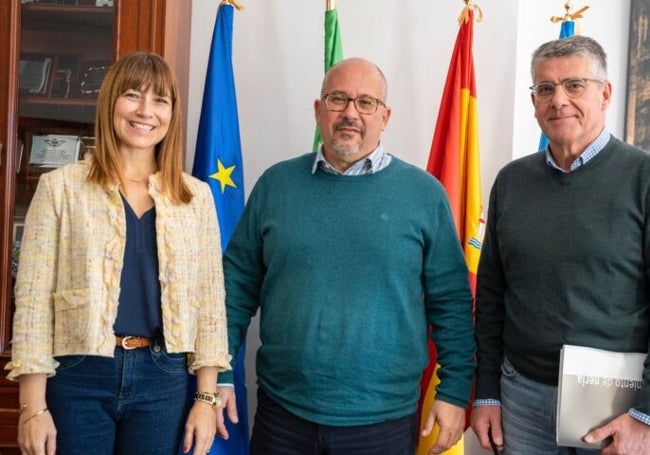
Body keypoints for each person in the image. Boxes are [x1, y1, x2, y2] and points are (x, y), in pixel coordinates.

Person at [217, 57, 475, 454]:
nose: (351, 113)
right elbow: (234, 289)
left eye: (366, 102)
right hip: (283, 415)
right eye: (339, 99)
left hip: (383, 423)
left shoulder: (423, 194)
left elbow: (452, 303)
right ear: (318, 110)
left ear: (384, 116)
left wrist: (455, 392)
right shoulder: (276, 185)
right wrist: (217, 375)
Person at [5, 52, 231, 455]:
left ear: (172, 112)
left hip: (164, 377)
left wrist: (206, 398)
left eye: (160, 100)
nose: (146, 111)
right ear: (111, 102)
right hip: (77, 373)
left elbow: (211, 304)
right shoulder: (61, 188)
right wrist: (32, 407)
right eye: (132, 95)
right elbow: (34, 302)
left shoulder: (195, 197)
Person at [471, 35, 650, 454]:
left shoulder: (643, 177)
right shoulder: (511, 181)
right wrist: (486, 392)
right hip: (522, 398)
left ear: (605, 94)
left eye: (574, 85)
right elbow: (493, 295)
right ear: (533, 100)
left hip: (617, 404)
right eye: (545, 89)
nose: (559, 100)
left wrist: (646, 414)